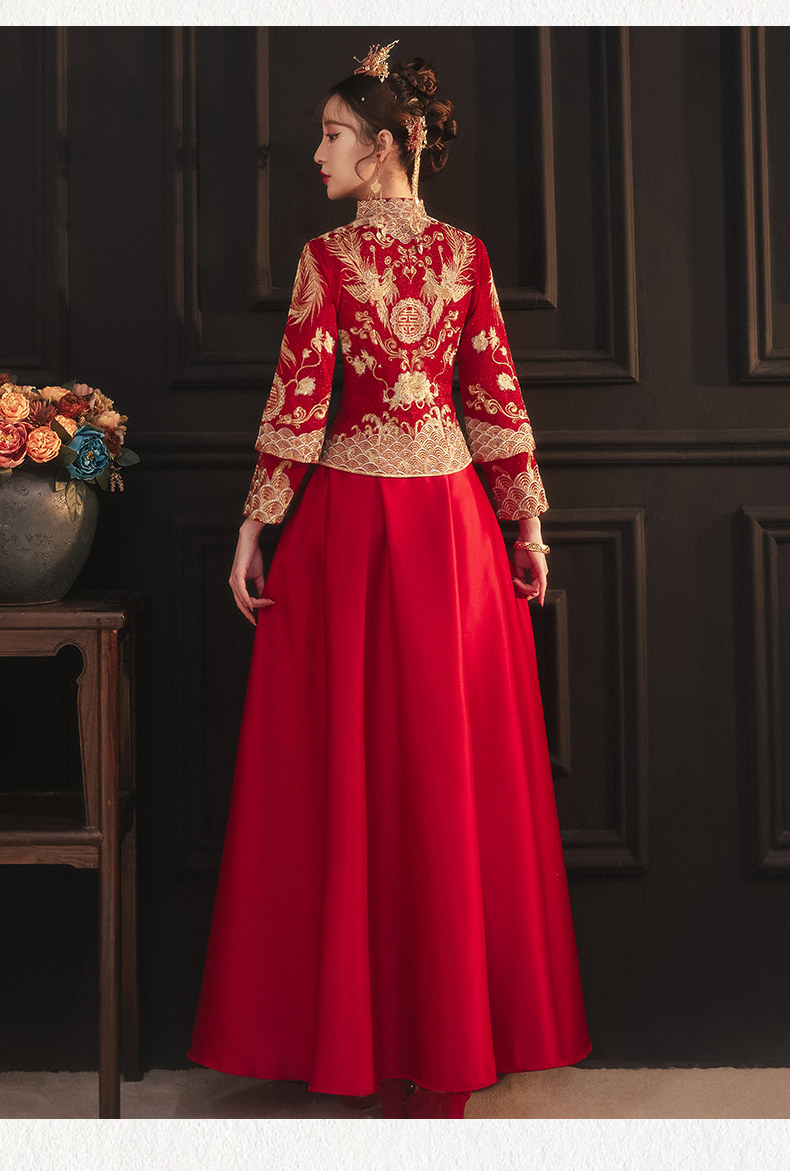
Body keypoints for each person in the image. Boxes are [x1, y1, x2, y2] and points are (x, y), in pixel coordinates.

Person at [188, 41, 592, 1120]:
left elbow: (300, 401)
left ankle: (370, 1038)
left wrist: (254, 528)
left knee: (362, 781)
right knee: (441, 777)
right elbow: (494, 395)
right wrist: (525, 523)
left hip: (360, 534)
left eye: (330, 135)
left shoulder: (329, 262)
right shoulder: (464, 256)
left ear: (381, 148)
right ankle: (437, 1040)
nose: (316, 154)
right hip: (451, 531)